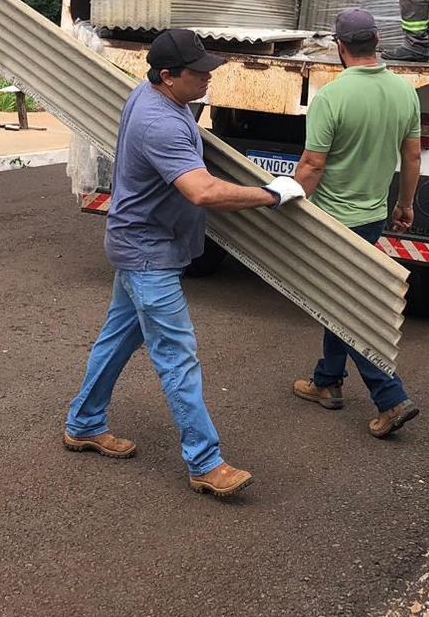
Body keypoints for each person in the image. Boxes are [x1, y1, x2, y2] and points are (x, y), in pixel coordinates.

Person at [64, 28, 305, 498]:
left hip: (143, 244)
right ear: (168, 76)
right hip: (148, 254)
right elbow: (203, 191)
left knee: (116, 340)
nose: (208, 79)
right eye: (198, 74)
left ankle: (84, 422)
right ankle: (205, 462)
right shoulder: (162, 123)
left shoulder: (153, 97)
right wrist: (272, 194)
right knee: (178, 357)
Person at [290, 8, 423, 437]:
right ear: (378, 43)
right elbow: (412, 157)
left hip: (333, 218)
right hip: (372, 216)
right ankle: (326, 382)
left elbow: (312, 164)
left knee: (345, 308)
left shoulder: (331, 96)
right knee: (341, 298)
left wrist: (285, 202)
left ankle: (391, 397)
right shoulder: (406, 93)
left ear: (340, 47)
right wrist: (405, 204)